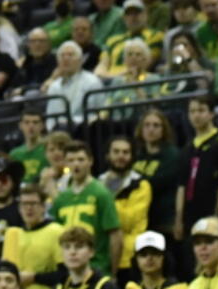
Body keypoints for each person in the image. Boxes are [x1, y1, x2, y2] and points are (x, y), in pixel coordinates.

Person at [176, 95, 218, 241]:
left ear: (212, 114)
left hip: (214, 212)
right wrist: (178, 219)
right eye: (192, 111)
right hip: (190, 217)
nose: (196, 115)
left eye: (201, 110)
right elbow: (181, 185)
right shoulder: (187, 148)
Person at [49, 142, 123, 274]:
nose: (76, 164)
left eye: (81, 159)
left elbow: (115, 234)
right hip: (69, 270)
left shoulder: (101, 193)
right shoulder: (62, 198)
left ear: (91, 161)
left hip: (97, 267)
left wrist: (113, 271)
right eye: (71, 160)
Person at [100, 137, 151, 275]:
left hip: (128, 258)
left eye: (125, 152)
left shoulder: (140, 184)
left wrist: (106, 202)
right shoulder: (98, 182)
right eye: (116, 152)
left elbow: (128, 221)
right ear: (107, 155)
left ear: (132, 156)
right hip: (102, 256)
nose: (120, 156)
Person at [1, 185, 62, 289]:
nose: (29, 208)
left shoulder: (56, 231)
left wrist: (34, 277)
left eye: (33, 203)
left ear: (43, 207)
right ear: (19, 208)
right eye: (24, 204)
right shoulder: (13, 234)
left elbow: (66, 274)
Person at [133, 109, 183, 234]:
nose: (151, 129)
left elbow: (154, 183)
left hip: (165, 222)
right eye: (147, 125)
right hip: (141, 222)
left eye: (156, 125)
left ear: (163, 129)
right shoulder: (137, 155)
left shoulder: (172, 155)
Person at [28, 226, 114, 289]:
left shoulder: (105, 286)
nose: (72, 252)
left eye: (79, 247)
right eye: (67, 247)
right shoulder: (58, 286)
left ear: (91, 252)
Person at [11, 110, 50, 185]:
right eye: (27, 122)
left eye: (35, 122)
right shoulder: (14, 154)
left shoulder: (48, 149)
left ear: (42, 125)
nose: (31, 126)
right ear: (20, 125)